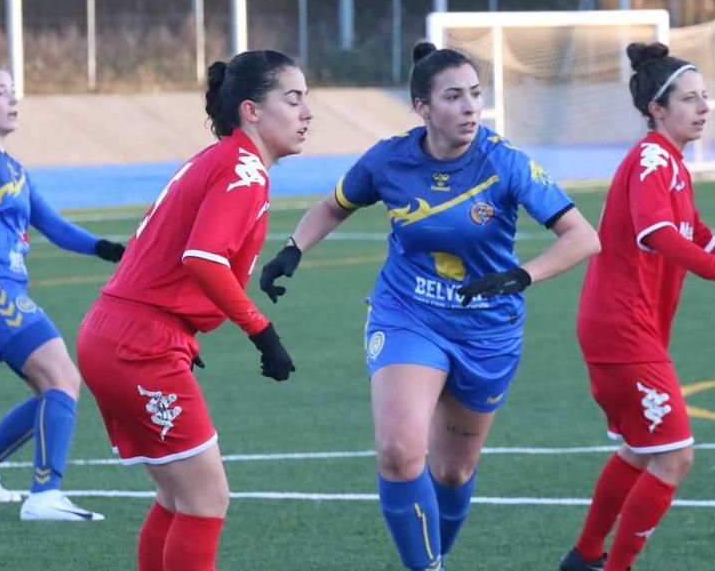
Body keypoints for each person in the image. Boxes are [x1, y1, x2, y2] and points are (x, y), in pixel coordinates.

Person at [255, 42, 600, 571]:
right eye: (454, 97)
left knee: (454, 473)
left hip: (486, 331)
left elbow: (582, 237)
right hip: (407, 315)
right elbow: (333, 206)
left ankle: (434, 553)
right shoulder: (389, 159)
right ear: (422, 107)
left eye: (475, 96)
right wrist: (293, 249)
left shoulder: (504, 162)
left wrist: (520, 275)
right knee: (398, 451)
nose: (469, 108)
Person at [560, 42, 715, 571]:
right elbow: (658, 232)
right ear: (657, 109)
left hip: (623, 326)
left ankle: (584, 557)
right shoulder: (651, 157)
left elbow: (706, 242)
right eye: (690, 99)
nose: (703, 108)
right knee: (676, 456)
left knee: (642, 451)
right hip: (623, 328)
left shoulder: (671, 166)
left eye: (705, 98)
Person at [76, 50, 307, 571]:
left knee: (179, 498)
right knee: (206, 500)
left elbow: (153, 248)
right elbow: (202, 259)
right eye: (292, 100)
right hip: (139, 344)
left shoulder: (214, 159)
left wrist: (180, 325)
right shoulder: (244, 169)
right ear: (251, 110)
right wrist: (261, 331)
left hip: (118, 332)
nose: (306, 113)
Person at [0, 64, 126, 520]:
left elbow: (52, 224)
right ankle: (44, 496)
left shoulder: (13, 165)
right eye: (1, 91)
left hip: (2, 289)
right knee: (63, 379)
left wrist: (104, 248)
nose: (12, 99)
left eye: (13, 91)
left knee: (52, 389)